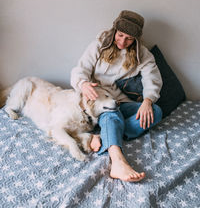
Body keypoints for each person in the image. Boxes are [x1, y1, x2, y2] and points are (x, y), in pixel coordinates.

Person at [70, 10, 163, 182]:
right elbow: (80, 70)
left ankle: (106, 134)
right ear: (114, 31)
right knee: (111, 113)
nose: (122, 41)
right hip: (101, 101)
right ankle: (118, 161)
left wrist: (148, 101)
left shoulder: (142, 54)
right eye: (120, 35)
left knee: (155, 112)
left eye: (129, 38)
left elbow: (153, 79)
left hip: (122, 102)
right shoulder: (99, 44)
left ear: (135, 39)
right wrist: (83, 84)